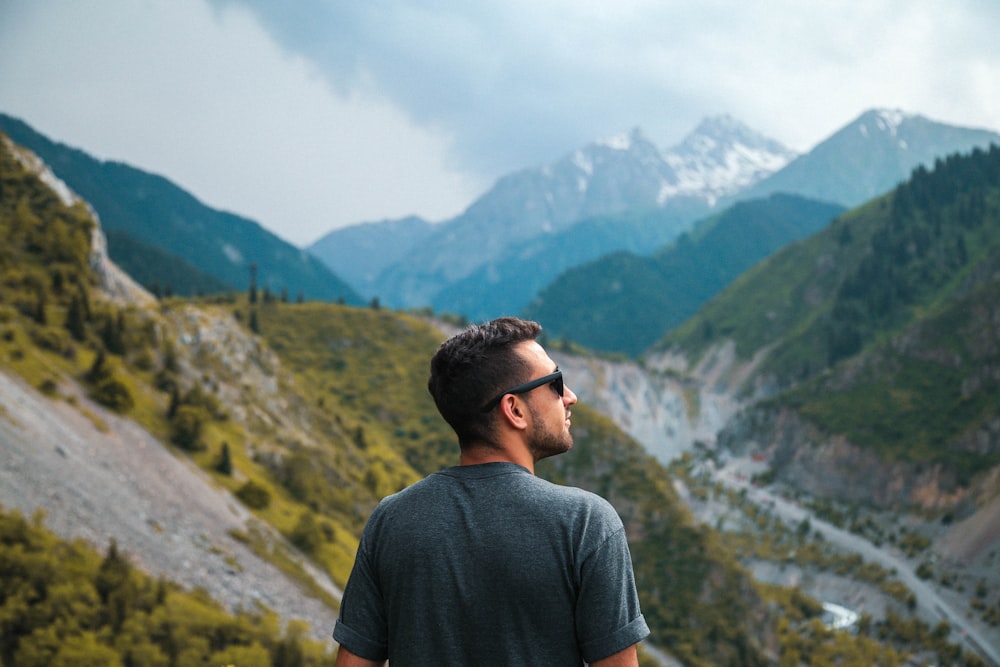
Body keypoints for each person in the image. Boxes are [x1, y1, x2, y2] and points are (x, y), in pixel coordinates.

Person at [333, 317, 649, 666]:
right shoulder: (584, 522)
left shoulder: (390, 520)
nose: (570, 397)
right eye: (555, 384)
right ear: (514, 409)